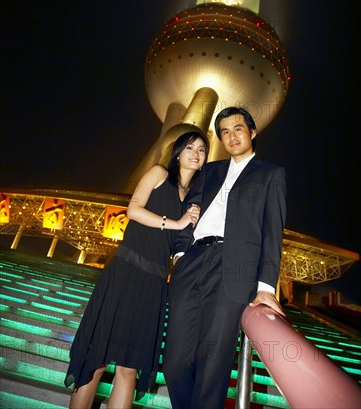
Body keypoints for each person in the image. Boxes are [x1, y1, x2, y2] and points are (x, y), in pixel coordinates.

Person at [64, 130, 209, 409]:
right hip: (126, 273)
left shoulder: (194, 201)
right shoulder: (158, 173)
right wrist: (176, 223)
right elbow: (133, 209)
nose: (195, 153)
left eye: (202, 150)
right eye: (190, 147)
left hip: (154, 284)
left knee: (129, 368)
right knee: (97, 359)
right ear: (178, 153)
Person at [163, 106, 287, 409]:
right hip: (192, 261)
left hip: (234, 270)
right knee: (174, 364)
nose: (231, 136)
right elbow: (188, 213)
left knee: (213, 366)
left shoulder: (271, 174)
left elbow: (273, 232)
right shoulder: (210, 170)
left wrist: (265, 288)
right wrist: (180, 252)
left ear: (252, 132)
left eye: (238, 128)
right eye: (225, 131)